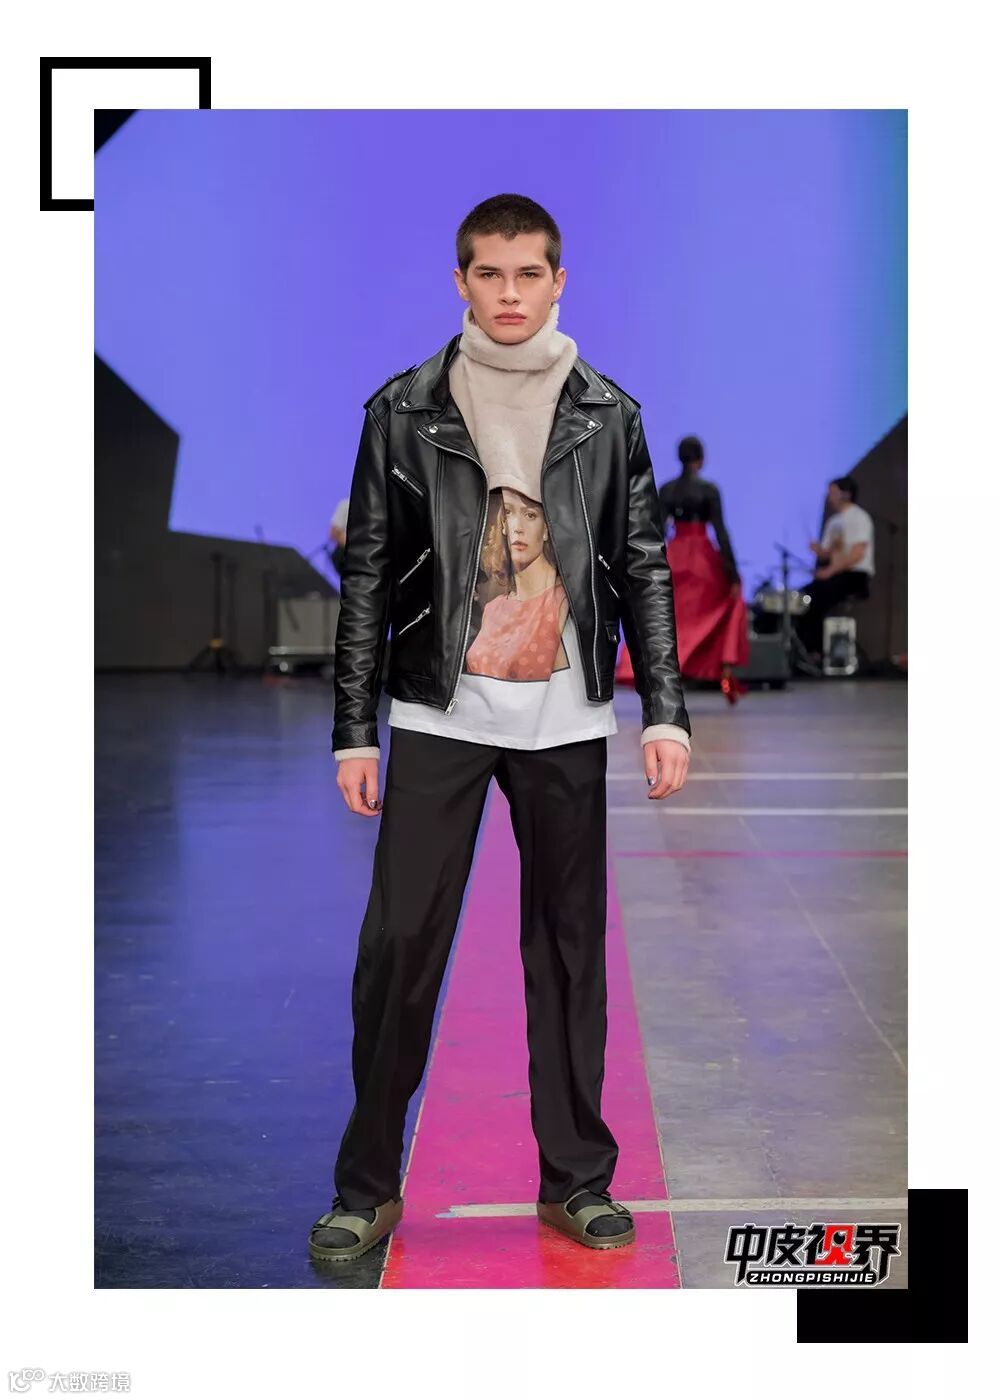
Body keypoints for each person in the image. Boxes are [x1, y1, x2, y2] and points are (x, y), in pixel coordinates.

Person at [310, 193, 692, 1264]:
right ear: (461, 282)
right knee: (398, 947)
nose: (510, 293)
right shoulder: (403, 410)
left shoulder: (607, 414)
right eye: (490, 273)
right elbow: (368, 572)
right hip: (439, 709)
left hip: (566, 713)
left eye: (529, 274)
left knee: (569, 951)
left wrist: (664, 710)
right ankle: (365, 1186)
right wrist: (354, 729)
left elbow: (644, 566)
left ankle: (577, 1179)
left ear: (559, 281)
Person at [615, 434, 749, 703]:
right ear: (701, 459)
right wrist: (733, 574)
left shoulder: (667, 490)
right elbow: (721, 532)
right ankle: (723, 674)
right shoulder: (709, 489)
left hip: (675, 556)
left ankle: (660, 673)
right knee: (721, 608)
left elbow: (657, 530)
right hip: (702, 560)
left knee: (670, 618)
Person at [794, 475, 875, 660]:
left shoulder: (859, 518)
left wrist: (829, 571)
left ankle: (816, 652)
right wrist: (819, 551)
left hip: (854, 575)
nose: (829, 497)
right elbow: (829, 553)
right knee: (802, 598)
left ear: (846, 494)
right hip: (835, 575)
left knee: (815, 601)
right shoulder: (833, 522)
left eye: (832, 492)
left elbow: (856, 554)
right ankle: (806, 651)